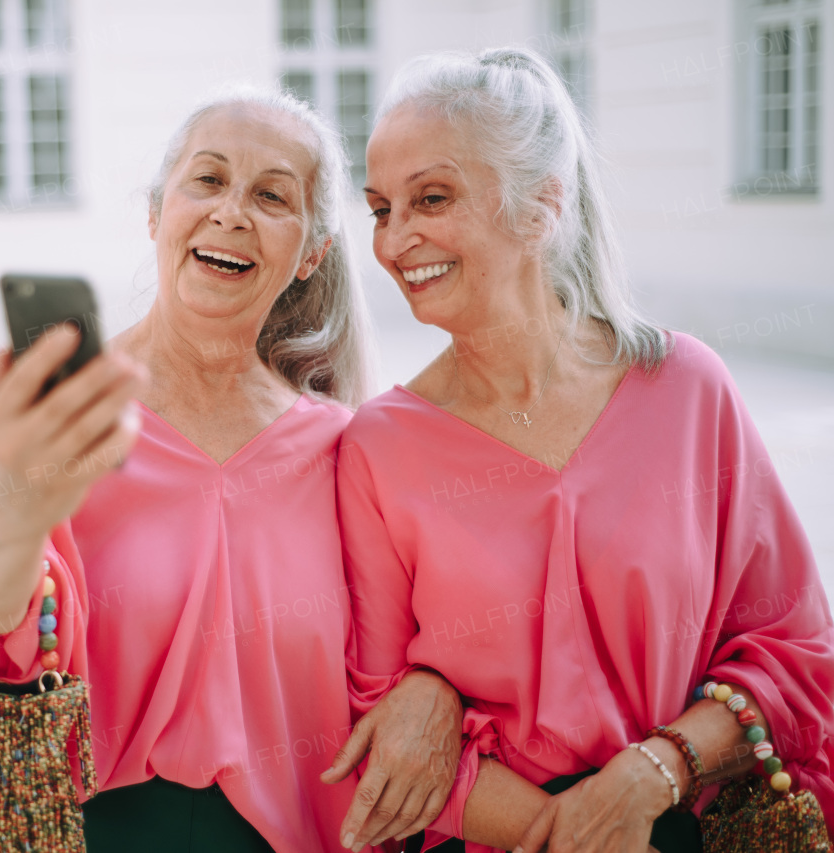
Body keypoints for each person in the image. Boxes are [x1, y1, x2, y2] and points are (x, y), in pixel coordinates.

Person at [0, 88, 458, 853]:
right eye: (208, 180)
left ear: (311, 255)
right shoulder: (75, 415)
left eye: (271, 195)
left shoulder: (344, 450)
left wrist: (435, 685)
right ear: (157, 213)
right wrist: (11, 499)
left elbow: (394, 664)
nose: (232, 211)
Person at [336, 47, 834, 852]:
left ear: (542, 205)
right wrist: (574, 831)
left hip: (689, 823)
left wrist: (656, 772)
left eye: (431, 198)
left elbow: (795, 651)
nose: (395, 241)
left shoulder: (687, 389)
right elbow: (372, 721)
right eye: (380, 208)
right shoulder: (378, 447)